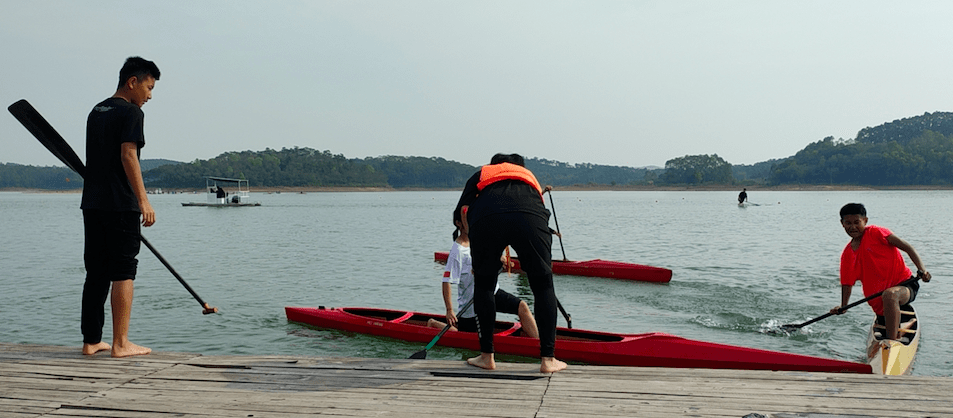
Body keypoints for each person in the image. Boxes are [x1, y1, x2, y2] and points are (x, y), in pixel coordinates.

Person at [454, 153, 567, 373]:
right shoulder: (528, 175)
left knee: (485, 285)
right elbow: (539, 210)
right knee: (543, 285)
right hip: (529, 215)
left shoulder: (482, 173)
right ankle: (548, 359)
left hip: (487, 216)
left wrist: (474, 244)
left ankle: (487, 356)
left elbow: (461, 212)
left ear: (494, 165)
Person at [80, 56, 160, 358]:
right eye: (149, 88)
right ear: (133, 82)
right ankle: (121, 343)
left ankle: (91, 341)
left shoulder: (96, 111)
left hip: (93, 203)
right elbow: (128, 155)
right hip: (120, 204)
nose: (149, 96)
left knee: (96, 271)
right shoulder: (132, 113)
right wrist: (143, 200)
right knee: (124, 270)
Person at [830, 203, 931, 344]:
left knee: (890, 295)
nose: (852, 227)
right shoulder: (847, 255)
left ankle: (890, 343)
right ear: (842, 224)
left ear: (865, 221)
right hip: (879, 303)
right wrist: (843, 306)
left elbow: (908, 247)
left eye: (856, 222)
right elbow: (847, 284)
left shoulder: (877, 233)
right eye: (848, 223)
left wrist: (922, 270)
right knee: (887, 297)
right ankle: (890, 326)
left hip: (905, 286)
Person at [426, 216, 539, 339]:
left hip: (492, 292)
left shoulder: (480, 238)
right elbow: (446, 281)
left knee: (522, 306)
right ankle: (434, 323)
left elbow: (490, 256)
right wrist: (449, 310)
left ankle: (541, 347)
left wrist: (499, 259)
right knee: (463, 336)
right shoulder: (457, 251)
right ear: (459, 223)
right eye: (467, 220)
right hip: (472, 305)